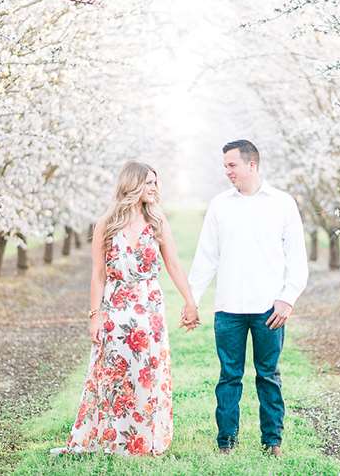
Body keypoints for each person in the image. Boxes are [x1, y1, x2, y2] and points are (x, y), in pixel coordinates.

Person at [51, 161, 200, 457]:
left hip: (149, 307)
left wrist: (190, 300)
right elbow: (98, 274)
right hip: (116, 307)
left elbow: (172, 264)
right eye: (148, 183)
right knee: (115, 374)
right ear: (132, 185)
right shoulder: (107, 223)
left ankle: (144, 440)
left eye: (156, 183)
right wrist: (95, 316)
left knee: (147, 371)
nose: (154, 188)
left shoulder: (157, 221)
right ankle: (112, 437)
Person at [188, 140, 308, 457]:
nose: (226, 171)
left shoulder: (282, 203)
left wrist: (288, 298)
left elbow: (296, 258)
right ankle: (226, 440)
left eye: (231, 165)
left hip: (270, 309)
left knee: (268, 376)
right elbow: (206, 257)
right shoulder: (219, 205)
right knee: (229, 377)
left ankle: (273, 441)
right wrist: (192, 299)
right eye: (225, 165)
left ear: (251, 164)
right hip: (228, 308)